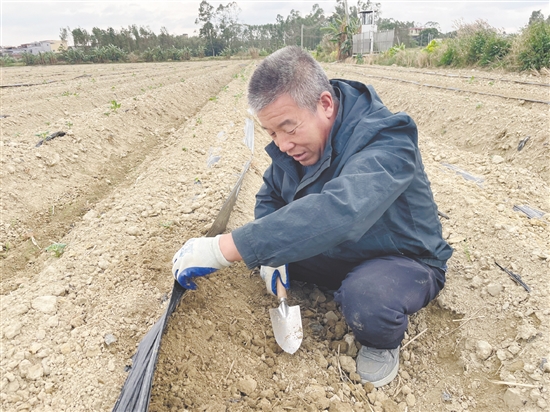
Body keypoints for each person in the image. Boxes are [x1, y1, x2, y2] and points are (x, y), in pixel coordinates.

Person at [172, 46, 452, 387]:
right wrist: (273, 259)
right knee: (266, 252)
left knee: (368, 297)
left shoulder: (389, 138)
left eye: (289, 128)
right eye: (272, 133)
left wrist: (224, 248)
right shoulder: (298, 148)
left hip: (398, 258)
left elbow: (343, 210)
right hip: (334, 248)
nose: (282, 145)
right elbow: (271, 196)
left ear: (326, 104)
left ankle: (381, 342)